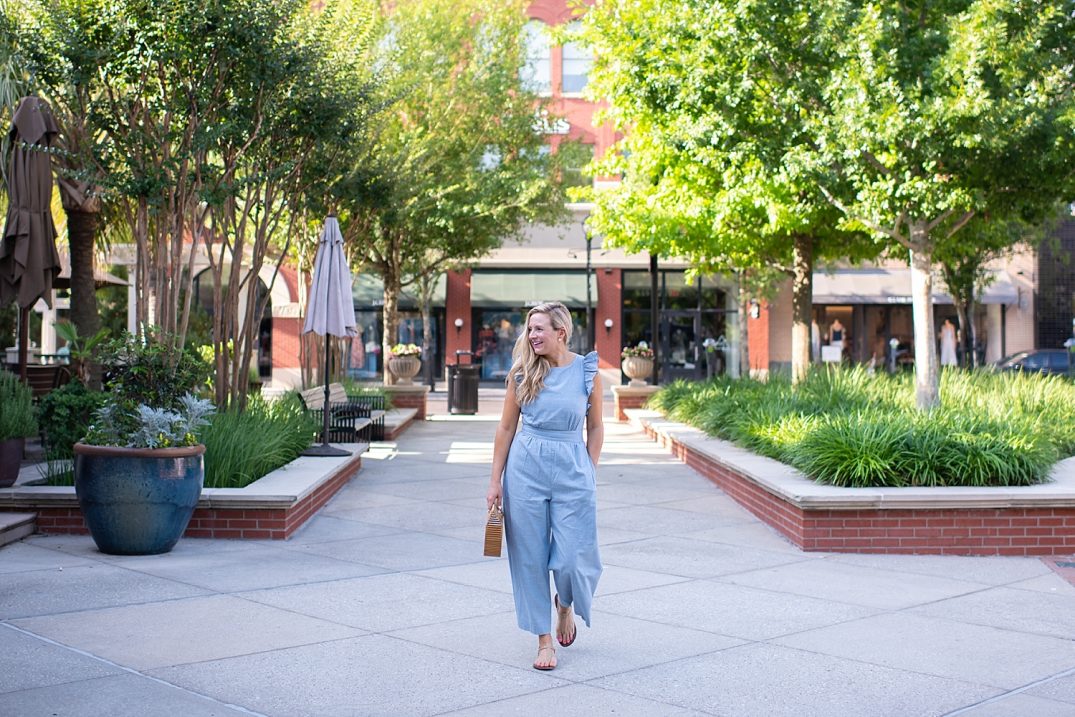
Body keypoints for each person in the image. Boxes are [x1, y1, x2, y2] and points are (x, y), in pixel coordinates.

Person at [487, 301, 603, 672]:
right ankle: (543, 640)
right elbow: (505, 428)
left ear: (560, 333)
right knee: (530, 558)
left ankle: (564, 605)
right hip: (525, 469)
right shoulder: (522, 373)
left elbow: (596, 426)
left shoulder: (586, 370)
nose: (531, 335)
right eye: (530, 329)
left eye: (539, 329)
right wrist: (494, 481)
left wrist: (589, 467)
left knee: (572, 557)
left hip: (572, 466)